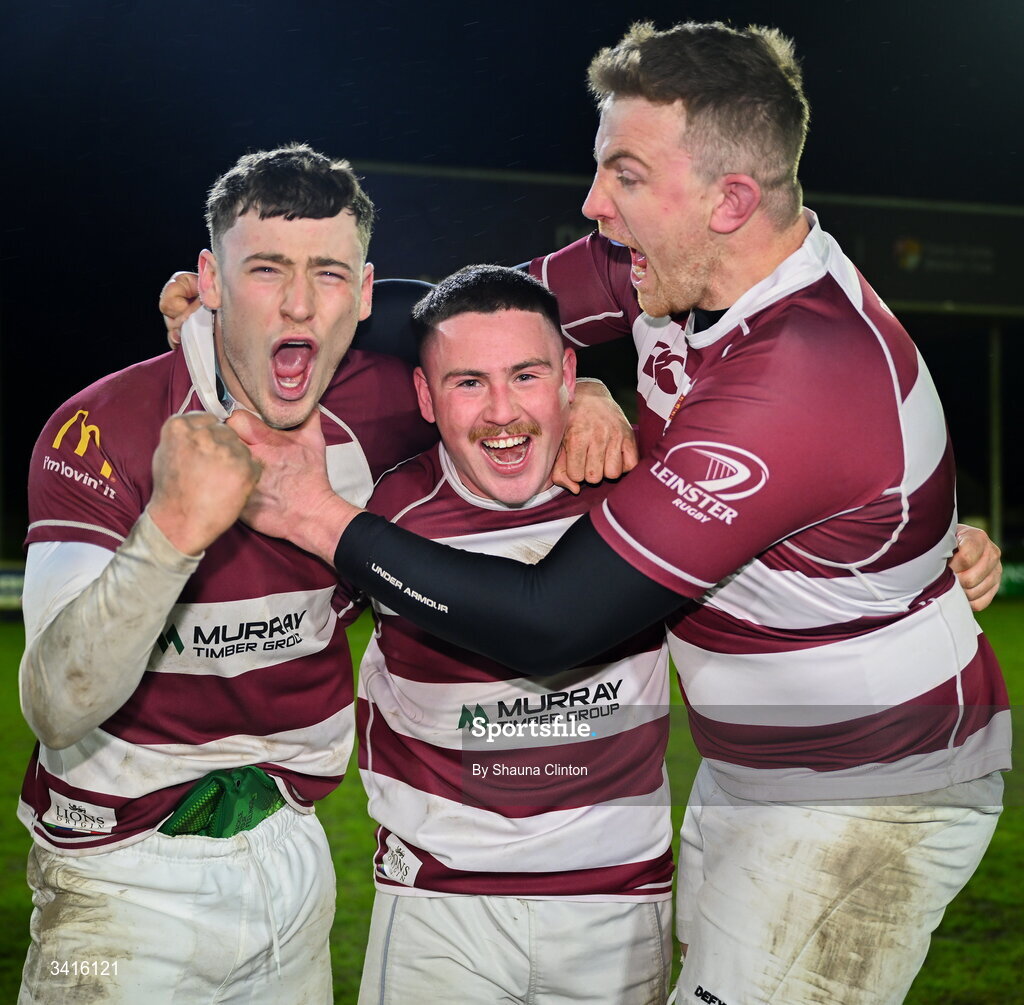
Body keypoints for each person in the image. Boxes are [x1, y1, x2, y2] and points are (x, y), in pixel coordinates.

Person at [226, 22, 1012, 1005]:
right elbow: (453, 323)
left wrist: (315, 517)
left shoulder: (801, 370)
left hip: (865, 791)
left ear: (729, 201)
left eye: (626, 177)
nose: (594, 205)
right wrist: (270, 318)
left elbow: (554, 621)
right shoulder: (666, 269)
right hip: (756, 770)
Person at [17, 143, 437, 1003]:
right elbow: (56, 703)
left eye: (328, 273)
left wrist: (577, 399)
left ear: (364, 293)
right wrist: (170, 532)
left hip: (295, 853)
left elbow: (527, 337)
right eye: (265, 270)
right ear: (208, 280)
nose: (297, 302)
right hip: (115, 884)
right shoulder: (103, 425)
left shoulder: (395, 411)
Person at [351, 264, 673, 1003]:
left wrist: (949, 552)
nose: (501, 412)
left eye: (526, 375)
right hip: (438, 904)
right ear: (425, 398)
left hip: (617, 904)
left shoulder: (645, 491)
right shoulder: (379, 505)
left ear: (567, 371)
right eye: (467, 383)